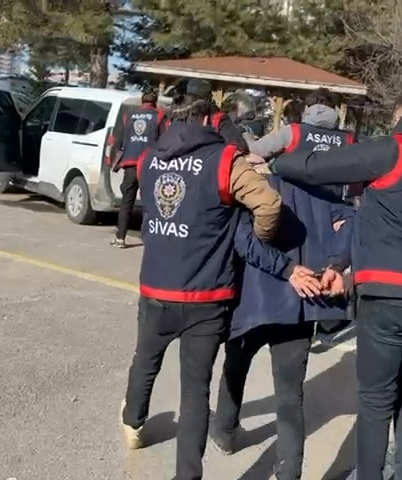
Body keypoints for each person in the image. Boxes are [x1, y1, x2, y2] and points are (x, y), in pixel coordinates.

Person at [268, 88, 402, 480]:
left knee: (376, 398)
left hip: (390, 291)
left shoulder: (395, 149)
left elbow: (316, 167)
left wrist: (277, 163)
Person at [120, 90, 283, 480]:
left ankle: (133, 422)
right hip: (208, 295)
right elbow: (269, 204)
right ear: (210, 119)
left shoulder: (148, 159)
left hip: (157, 284)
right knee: (195, 391)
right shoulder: (225, 160)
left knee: (146, 358)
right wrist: (258, 239)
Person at [211, 171, 354, 479]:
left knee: (235, 367)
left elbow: (242, 239)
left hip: (253, 299)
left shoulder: (253, 182)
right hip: (300, 305)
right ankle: (289, 470)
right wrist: (337, 263)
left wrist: (287, 269)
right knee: (290, 395)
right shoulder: (321, 184)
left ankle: (224, 431)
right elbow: (351, 221)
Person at [246, 87, 358, 349]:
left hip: (292, 206)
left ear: (307, 108)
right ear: (335, 109)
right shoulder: (348, 139)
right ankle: (328, 323)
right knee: (331, 269)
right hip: (332, 210)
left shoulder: (294, 132)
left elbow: (256, 151)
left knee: (292, 266)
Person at [110, 87, 167, 248]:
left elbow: (119, 141)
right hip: (149, 165)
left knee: (126, 202)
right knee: (150, 203)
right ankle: (149, 239)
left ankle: (120, 238)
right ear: (155, 101)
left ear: (142, 100)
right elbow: (164, 141)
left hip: (130, 164)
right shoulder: (159, 116)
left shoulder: (130, 116)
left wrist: (115, 162)